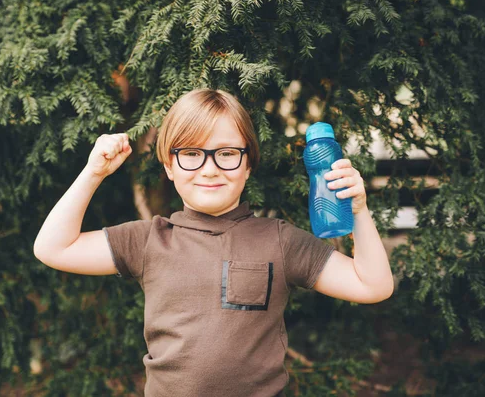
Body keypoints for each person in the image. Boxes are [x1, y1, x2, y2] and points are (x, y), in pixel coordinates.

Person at [33, 89, 394, 397]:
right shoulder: (148, 240)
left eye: (226, 153)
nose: (209, 169)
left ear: (248, 164)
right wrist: (93, 173)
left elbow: (372, 285)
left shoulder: (280, 241)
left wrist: (358, 210)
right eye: (191, 154)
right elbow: (53, 248)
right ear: (169, 165)